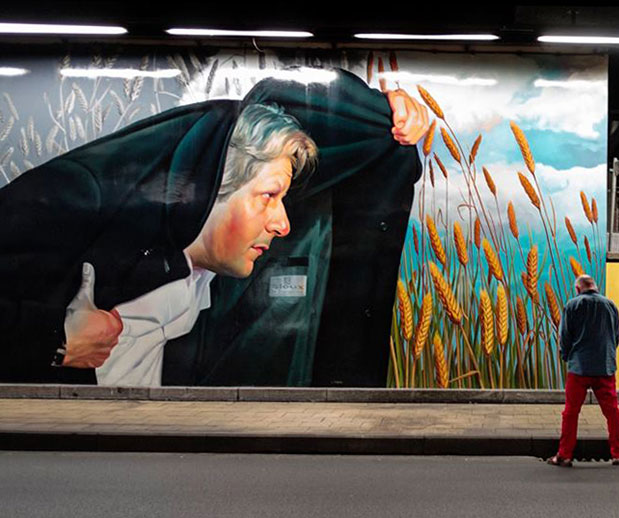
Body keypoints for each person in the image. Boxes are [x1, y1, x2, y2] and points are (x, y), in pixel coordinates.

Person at [0, 69, 429, 385]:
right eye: (269, 196)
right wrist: (53, 339)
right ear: (215, 183)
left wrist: (382, 116)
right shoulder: (76, 196)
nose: (282, 224)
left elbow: (290, 102)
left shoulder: (211, 279)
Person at [548, 274, 619, 467]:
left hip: (579, 367)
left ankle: (565, 455)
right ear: (595, 287)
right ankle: (618, 454)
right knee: (612, 412)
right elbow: (615, 337)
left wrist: (567, 356)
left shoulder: (573, 305)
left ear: (578, 289)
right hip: (605, 367)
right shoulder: (611, 305)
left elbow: (565, 336)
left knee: (571, 412)